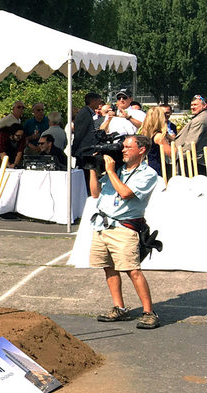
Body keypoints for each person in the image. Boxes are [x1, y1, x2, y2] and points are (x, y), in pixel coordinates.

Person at [89, 134, 160, 329]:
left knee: (133, 270)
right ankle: (119, 308)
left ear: (142, 150)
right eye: (123, 147)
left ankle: (149, 312)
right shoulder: (118, 170)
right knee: (108, 267)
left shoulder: (148, 174)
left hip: (124, 227)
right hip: (103, 226)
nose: (123, 150)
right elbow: (95, 193)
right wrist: (93, 170)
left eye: (128, 147)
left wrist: (111, 171)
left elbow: (126, 193)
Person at [171, 93, 207, 171]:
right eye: (191, 105)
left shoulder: (199, 120)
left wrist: (179, 157)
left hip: (193, 161)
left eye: (195, 105)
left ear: (205, 105)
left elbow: (190, 144)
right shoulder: (202, 117)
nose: (192, 107)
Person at [138, 106, 172, 174]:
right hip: (158, 169)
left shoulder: (143, 134)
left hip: (146, 167)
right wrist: (172, 139)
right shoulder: (159, 137)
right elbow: (172, 154)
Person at [71, 92, 101, 165]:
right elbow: (80, 133)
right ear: (93, 101)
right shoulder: (84, 114)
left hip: (87, 151)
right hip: (83, 151)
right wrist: (75, 149)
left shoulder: (88, 113)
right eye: (98, 101)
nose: (99, 103)